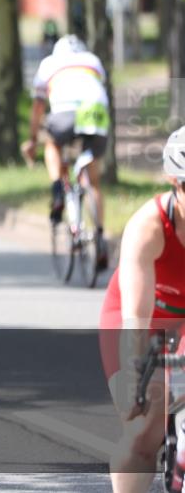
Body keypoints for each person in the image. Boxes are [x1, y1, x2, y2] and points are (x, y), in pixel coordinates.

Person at [98, 127, 185, 493]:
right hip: (143, 316)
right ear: (173, 182)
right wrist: (134, 381)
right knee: (144, 427)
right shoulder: (147, 227)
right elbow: (136, 316)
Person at [21, 34, 111, 270]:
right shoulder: (93, 60)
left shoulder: (48, 64)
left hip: (64, 114)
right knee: (93, 181)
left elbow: (39, 106)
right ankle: (100, 239)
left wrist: (32, 140)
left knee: (51, 143)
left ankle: (57, 188)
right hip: (95, 113)